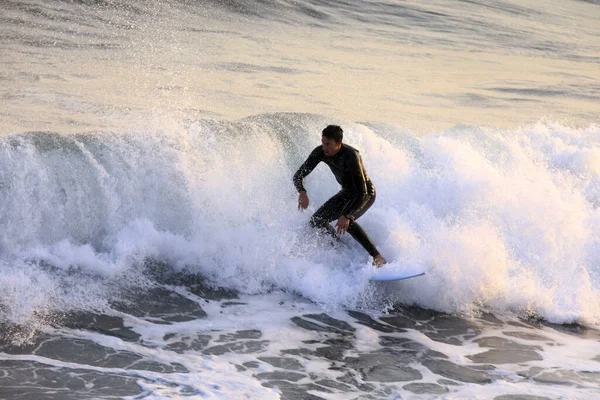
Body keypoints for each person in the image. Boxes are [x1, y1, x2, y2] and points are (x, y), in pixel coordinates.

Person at [293, 125, 387, 267]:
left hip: (364, 195)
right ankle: (340, 247)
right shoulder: (320, 152)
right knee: (316, 221)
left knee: (346, 221)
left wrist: (348, 216)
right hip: (346, 192)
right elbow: (298, 176)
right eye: (323, 142)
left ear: (338, 144)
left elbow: (362, 193)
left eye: (328, 144)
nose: (324, 147)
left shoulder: (351, 156)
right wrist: (302, 192)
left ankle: (378, 257)